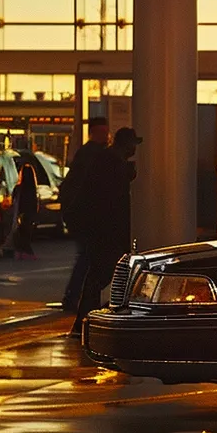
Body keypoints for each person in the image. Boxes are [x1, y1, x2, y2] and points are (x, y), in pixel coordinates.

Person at [71, 126, 141, 337]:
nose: (134, 150)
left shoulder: (106, 161)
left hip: (99, 230)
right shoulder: (113, 164)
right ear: (125, 145)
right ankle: (86, 320)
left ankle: (85, 320)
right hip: (107, 232)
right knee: (101, 275)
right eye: (132, 145)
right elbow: (112, 202)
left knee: (99, 275)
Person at [60, 117, 110, 312]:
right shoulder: (95, 155)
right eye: (103, 132)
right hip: (87, 216)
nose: (105, 136)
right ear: (95, 132)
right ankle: (75, 297)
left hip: (79, 215)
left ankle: (74, 296)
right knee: (89, 257)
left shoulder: (85, 153)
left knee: (86, 256)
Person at [11, 162, 38, 260]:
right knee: (26, 235)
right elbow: (35, 203)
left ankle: (20, 252)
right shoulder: (32, 189)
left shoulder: (18, 188)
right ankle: (27, 253)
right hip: (29, 215)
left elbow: (13, 200)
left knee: (20, 234)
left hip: (19, 214)